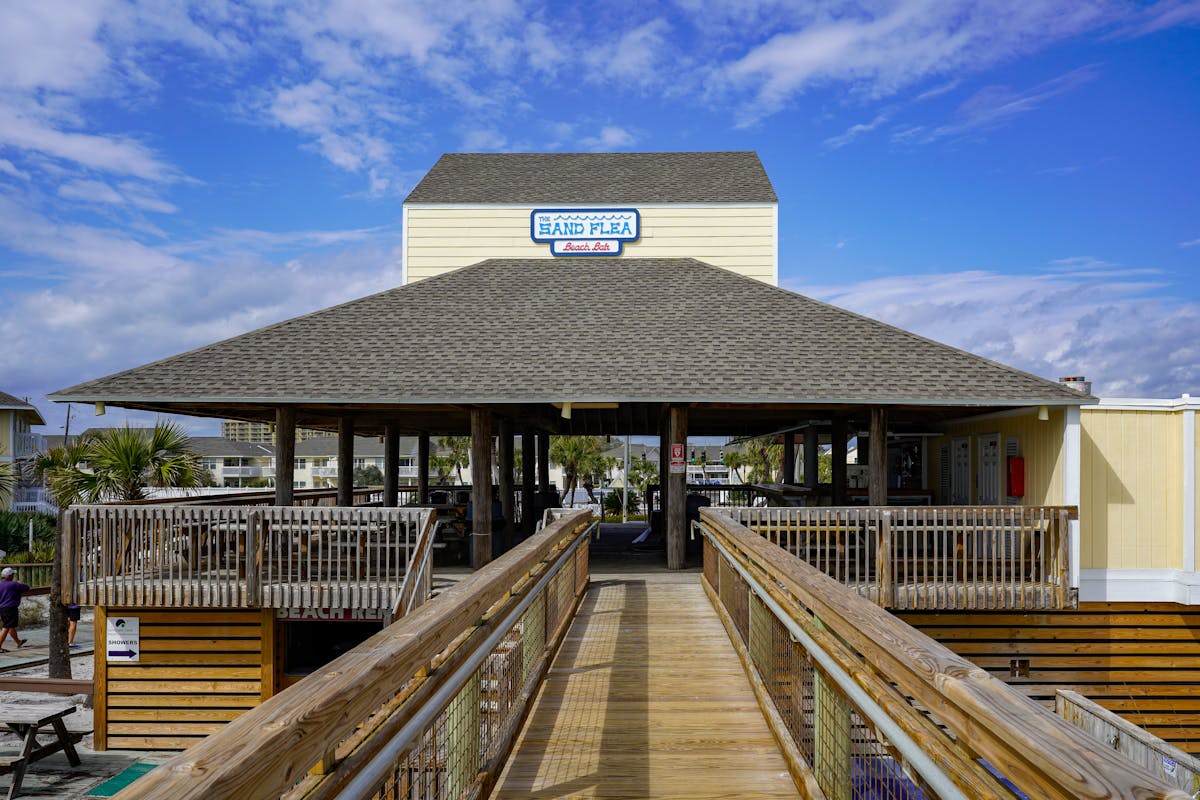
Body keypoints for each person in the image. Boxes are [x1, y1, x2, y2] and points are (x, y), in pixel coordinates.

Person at [0, 567, 30, 651]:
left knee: (10, 626)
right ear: (9, 576)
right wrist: (20, 583)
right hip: (10, 608)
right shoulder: (14, 584)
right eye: (12, 574)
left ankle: (18, 642)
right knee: (6, 627)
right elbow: (27, 588)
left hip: (2, 608)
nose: (13, 576)